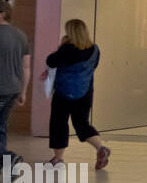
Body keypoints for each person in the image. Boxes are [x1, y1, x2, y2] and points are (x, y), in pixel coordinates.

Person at [42, 19, 110, 169]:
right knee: (82, 123)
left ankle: (58, 159)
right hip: (85, 93)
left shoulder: (67, 49)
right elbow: (93, 66)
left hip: (63, 93)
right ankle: (100, 147)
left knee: (58, 124)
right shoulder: (94, 49)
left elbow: (51, 61)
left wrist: (60, 46)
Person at [0, 0, 30, 177]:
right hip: (13, 88)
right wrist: (23, 91)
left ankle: (6, 158)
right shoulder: (21, 35)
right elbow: (26, 66)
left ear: (1, 14)